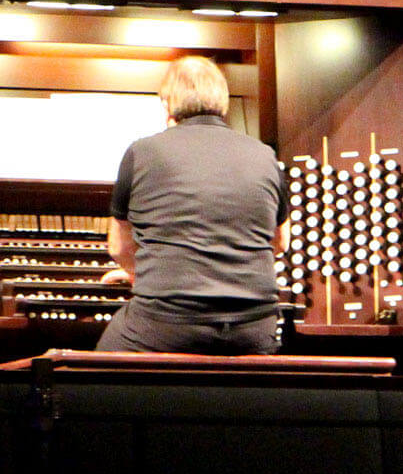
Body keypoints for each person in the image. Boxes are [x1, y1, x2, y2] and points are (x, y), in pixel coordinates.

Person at [94, 56, 289, 354]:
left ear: (167, 103)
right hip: (254, 329)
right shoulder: (265, 155)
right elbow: (279, 242)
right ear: (223, 101)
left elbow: (119, 248)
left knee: (94, 370)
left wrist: (147, 273)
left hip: (169, 323)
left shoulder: (142, 152)